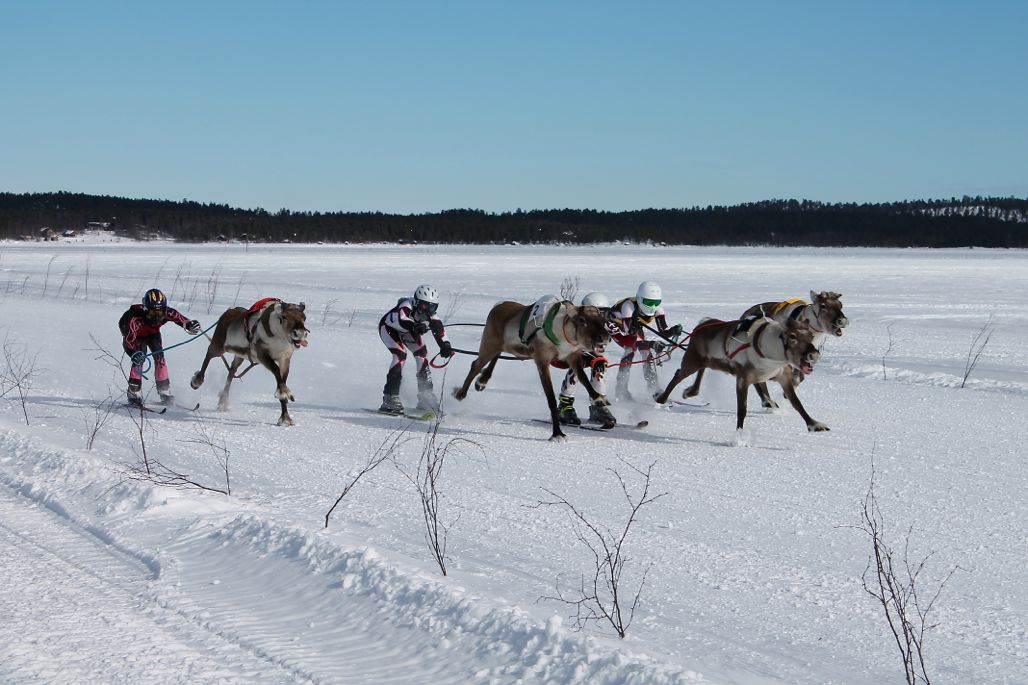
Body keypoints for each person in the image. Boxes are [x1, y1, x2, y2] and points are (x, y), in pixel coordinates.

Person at [378, 284, 454, 415]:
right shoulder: (406, 305)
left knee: (422, 355)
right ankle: (390, 397)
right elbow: (402, 320)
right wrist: (414, 326)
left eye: (432, 306)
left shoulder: (431, 314)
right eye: (425, 305)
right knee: (400, 355)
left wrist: (445, 345)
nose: (428, 310)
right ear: (417, 301)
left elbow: (439, 330)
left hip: (408, 330)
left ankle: (426, 396)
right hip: (389, 328)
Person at [118, 288, 201, 405]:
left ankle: (164, 390)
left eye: (160, 313)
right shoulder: (135, 319)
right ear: (146, 310)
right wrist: (133, 354)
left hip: (152, 333)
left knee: (160, 358)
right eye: (153, 313)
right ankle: (133, 392)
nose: (157, 317)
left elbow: (179, 318)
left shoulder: (166, 312)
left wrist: (189, 324)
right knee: (139, 358)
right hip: (136, 335)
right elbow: (127, 341)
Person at [608, 281, 682, 402]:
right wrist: (652, 344)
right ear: (640, 299)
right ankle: (621, 389)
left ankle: (654, 389)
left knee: (646, 352)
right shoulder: (629, 306)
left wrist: (673, 331)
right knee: (630, 348)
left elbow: (663, 332)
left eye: (656, 302)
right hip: (615, 324)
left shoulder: (658, 310)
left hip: (633, 328)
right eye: (649, 302)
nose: (653, 306)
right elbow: (629, 336)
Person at [557, 292, 617, 428]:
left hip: (592, 356)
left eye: (603, 313)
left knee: (599, 371)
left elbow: (623, 332)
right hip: (567, 356)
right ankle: (564, 406)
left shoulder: (603, 325)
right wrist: (597, 358)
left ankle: (598, 407)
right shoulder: (577, 325)